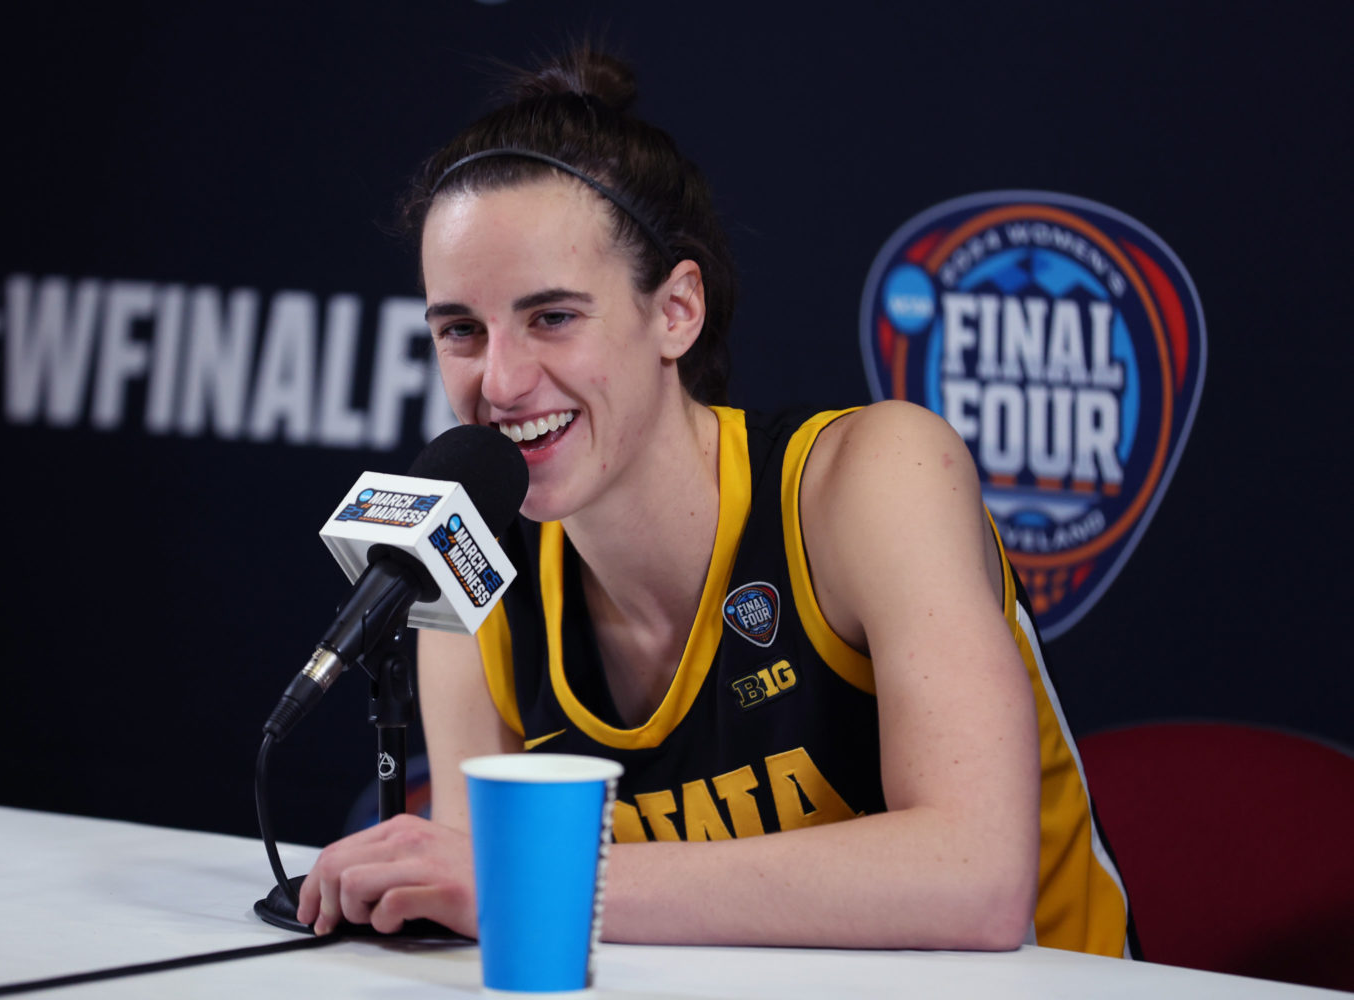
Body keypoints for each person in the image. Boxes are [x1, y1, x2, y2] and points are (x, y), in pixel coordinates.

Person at [297, 47, 1132, 956]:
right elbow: (492, 921)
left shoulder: (872, 477)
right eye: (461, 329)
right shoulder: (467, 569)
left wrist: (524, 879)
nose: (500, 381)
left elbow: (977, 881)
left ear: (676, 312)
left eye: (553, 318)